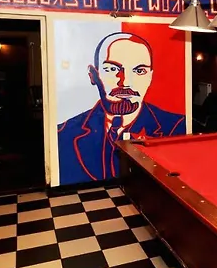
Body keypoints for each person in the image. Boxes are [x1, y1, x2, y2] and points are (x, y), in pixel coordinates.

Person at [57, 32, 185, 184]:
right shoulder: (64, 133)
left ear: (150, 77)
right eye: (112, 69)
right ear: (93, 75)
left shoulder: (177, 127)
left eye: (139, 71)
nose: (125, 82)